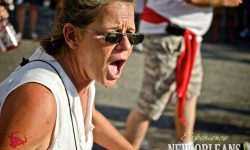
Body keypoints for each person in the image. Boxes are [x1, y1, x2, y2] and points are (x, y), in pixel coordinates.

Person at [0, 0, 144, 149]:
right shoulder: (39, 100)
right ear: (72, 36)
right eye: (113, 36)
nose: (127, 46)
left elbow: (89, 118)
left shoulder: (83, 70)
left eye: (132, 35)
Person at [125, 0, 241, 149]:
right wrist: (224, 2)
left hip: (184, 35)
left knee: (189, 95)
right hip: (166, 34)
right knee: (150, 103)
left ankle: (185, 146)